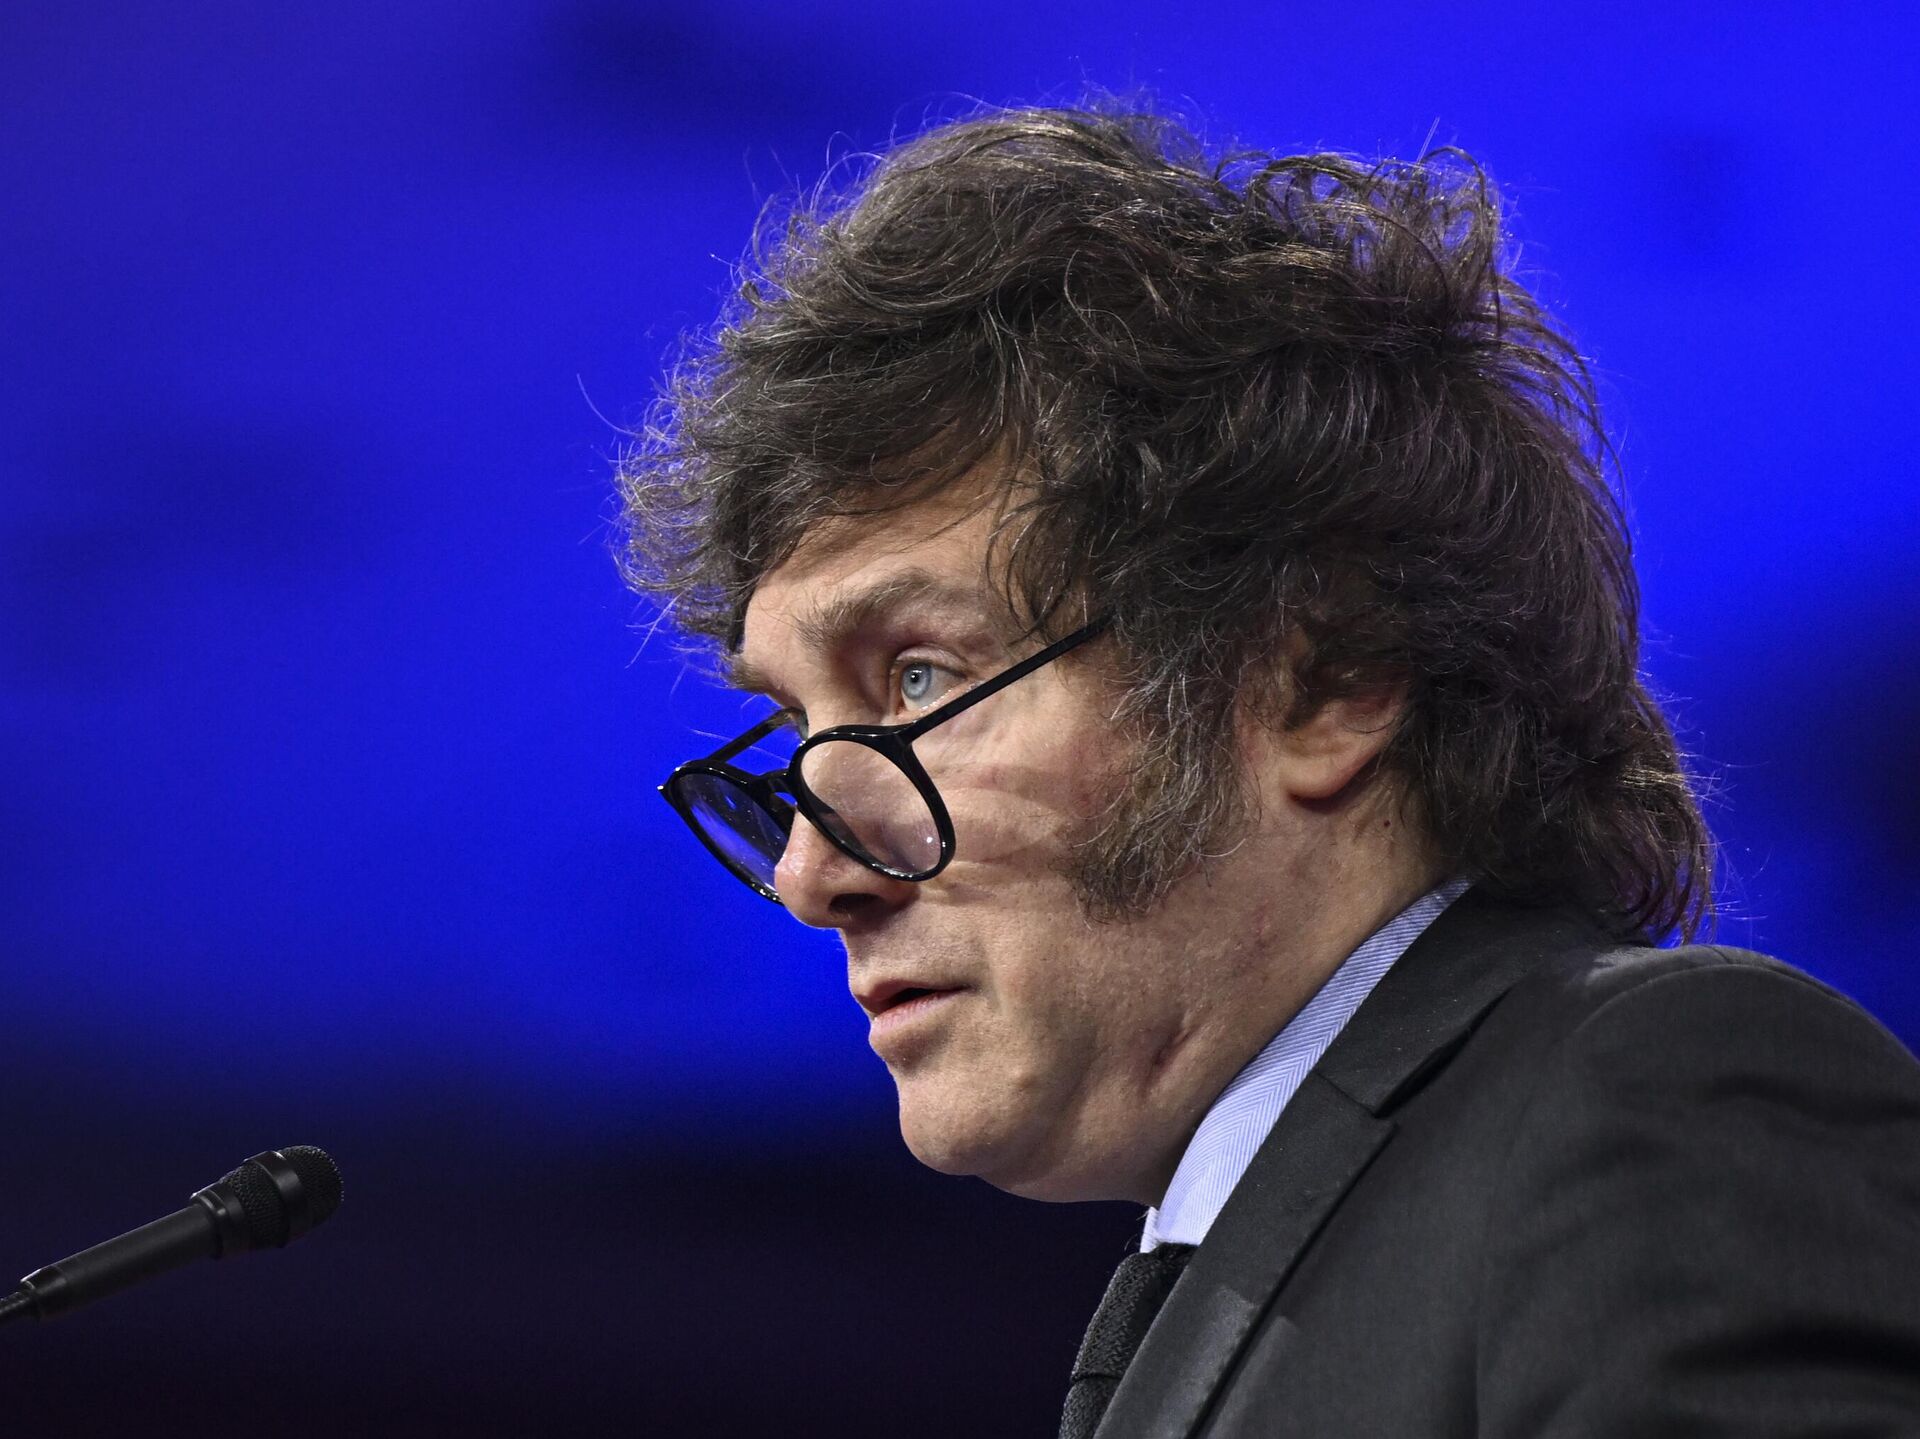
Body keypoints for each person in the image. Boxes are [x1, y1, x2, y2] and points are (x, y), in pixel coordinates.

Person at [617, 104, 1920, 1436]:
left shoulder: (1654, 1098)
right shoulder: (1255, 1257)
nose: (810, 872)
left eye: (921, 679)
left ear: (1325, 683)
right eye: (796, 728)